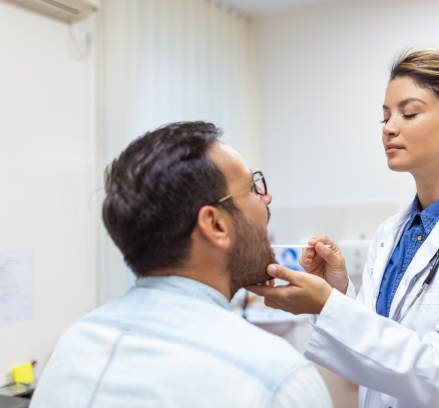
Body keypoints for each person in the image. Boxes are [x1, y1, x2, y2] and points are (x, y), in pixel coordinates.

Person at [248, 49, 439, 408]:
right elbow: (381, 354)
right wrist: (337, 294)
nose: (389, 127)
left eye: (409, 113)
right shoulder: (391, 233)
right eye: (386, 116)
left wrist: (328, 307)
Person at [30, 121, 332, 408]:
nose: (266, 199)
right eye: (253, 188)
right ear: (215, 225)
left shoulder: (73, 346)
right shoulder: (278, 380)